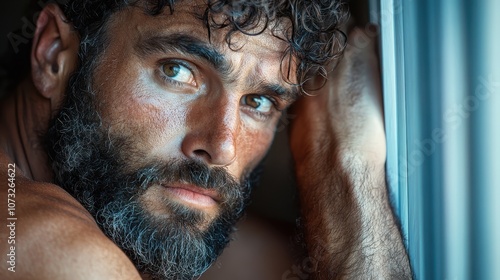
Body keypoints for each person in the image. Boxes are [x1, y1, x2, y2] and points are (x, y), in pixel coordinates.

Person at [0, 0, 412, 279]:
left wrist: (338, 163)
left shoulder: (125, 213)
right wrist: (346, 164)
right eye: (177, 71)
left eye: (258, 101)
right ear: (54, 53)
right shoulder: (63, 253)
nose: (223, 146)